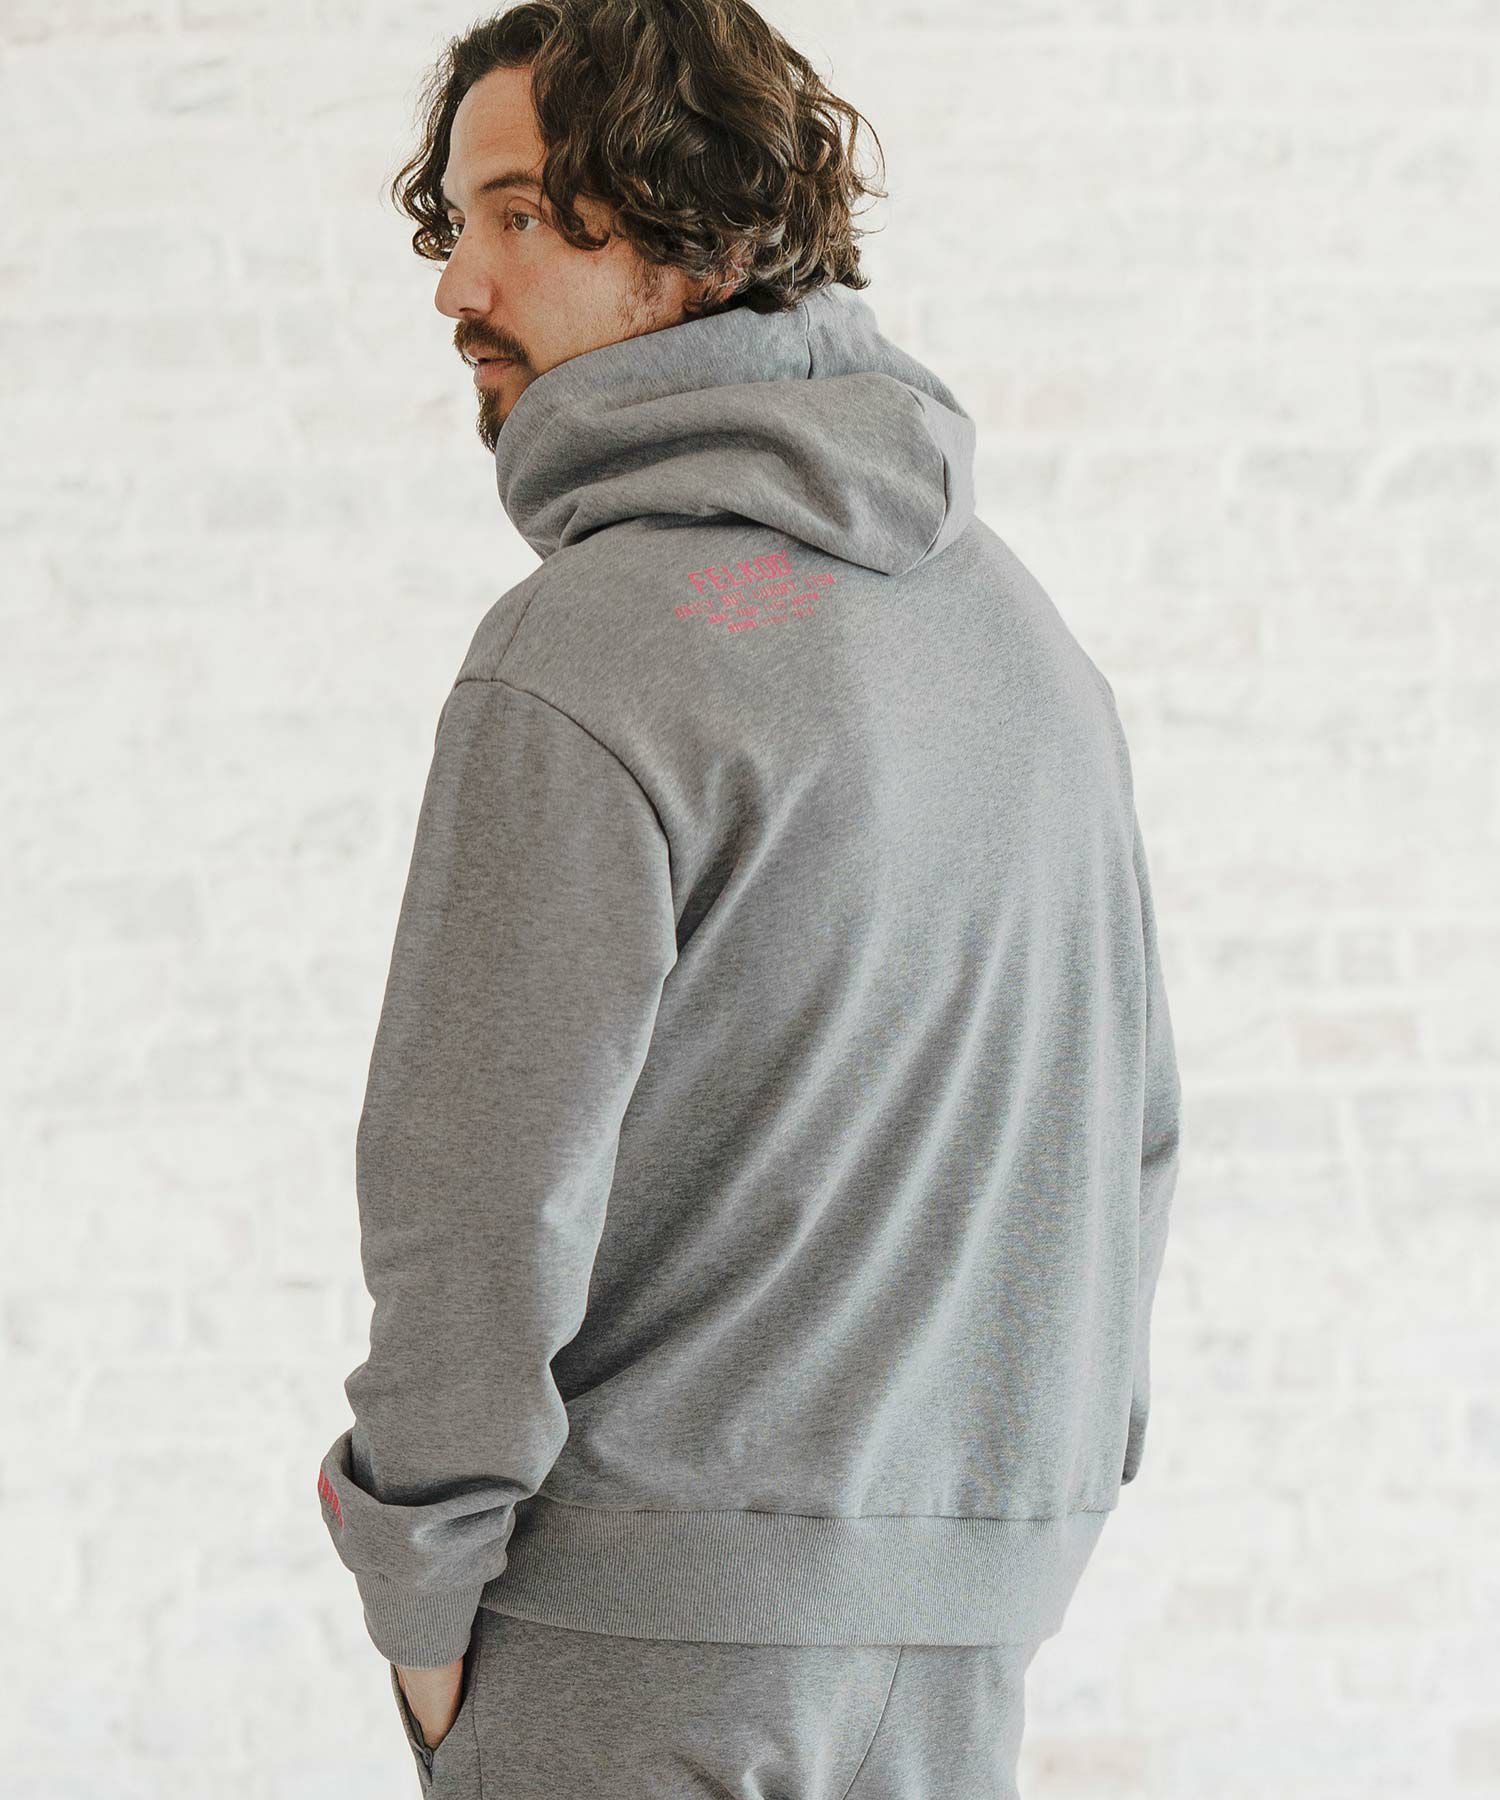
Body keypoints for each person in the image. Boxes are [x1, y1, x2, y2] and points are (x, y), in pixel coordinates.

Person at [315, 2, 1184, 1795]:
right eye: (456, 223)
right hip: (965, 1626)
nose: (457, 283)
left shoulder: (583, 654)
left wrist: (418, 1607)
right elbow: (1132, 1135)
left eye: (522, 216)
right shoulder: (1020, 637)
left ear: (694, 233)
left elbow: (480, 1194)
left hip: (628, 1642)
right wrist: (1009, 1521)